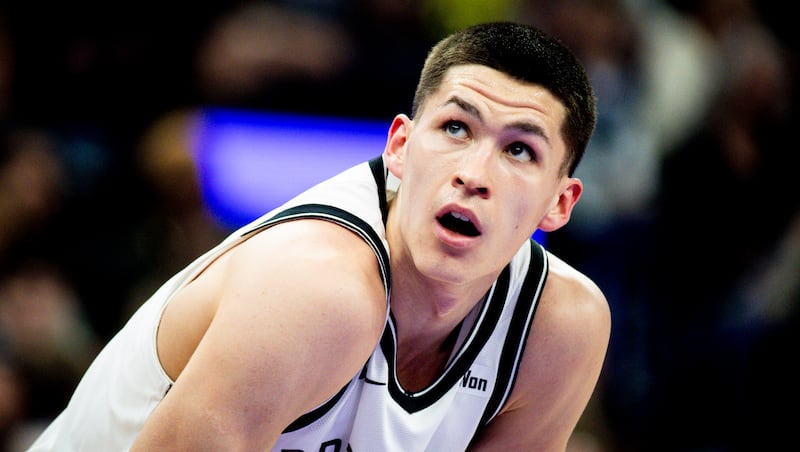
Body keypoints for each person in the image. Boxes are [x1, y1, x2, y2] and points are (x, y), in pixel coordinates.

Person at [27, 21, 610, 451]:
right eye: (455, 127)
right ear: (401, 147)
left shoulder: (561, 327)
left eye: (519, 150)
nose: (473, 174)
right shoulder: (320, 286)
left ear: (559, 203)